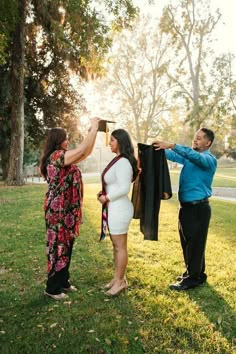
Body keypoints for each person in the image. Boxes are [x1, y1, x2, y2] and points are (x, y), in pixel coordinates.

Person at [39, 117, 100, 300]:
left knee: (67, 244)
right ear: (57, 140)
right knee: (58, 246)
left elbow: (85, 153)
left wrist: (93, 132)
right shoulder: (56, 156)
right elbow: (81, 150)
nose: (67, 141)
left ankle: (63, 281)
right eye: (65, 138)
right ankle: (52, 288)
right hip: (57, 210)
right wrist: (94, 127)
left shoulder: (62, 156)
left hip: (66, 210)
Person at [154, 128, 217, 291]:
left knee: (194, 244)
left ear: (208, 143)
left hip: (199, 209)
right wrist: (159, 148)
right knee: (189, 243)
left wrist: (172, 145)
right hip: (186, 208)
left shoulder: (208, 159)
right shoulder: (191, 158)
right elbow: (174, 155)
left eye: (199, 138)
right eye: (195, 137)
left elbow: (191, 155)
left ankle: (192, 278)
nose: (195, 140)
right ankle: (197, 274)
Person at [97, 129, 138, 296]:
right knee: (116, 245)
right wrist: (103, 194)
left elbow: (124, 188)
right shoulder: (119, 160)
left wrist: (107, 197)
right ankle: (116, 278)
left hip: (120, 209)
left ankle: (120, 282)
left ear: (120, 142)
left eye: (112, 140)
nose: (110, 143)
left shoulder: (123, 162)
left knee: (120, 246)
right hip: (114, 208)